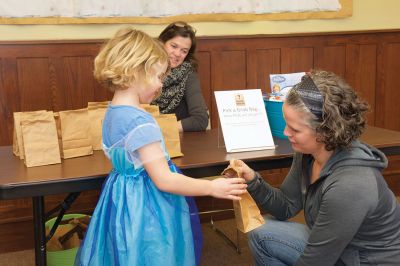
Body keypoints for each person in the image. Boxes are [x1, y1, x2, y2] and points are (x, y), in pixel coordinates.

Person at [75, 27, 247, 266]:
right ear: (135, 71)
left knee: (125, 251)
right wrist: (211, 187)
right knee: (154, 254)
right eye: (157, 77)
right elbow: (164, 179)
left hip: (122, 199)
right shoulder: (140, 121)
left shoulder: (113, 112)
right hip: (148, 206)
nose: (160, 85)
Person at [226, 70, 400, 265]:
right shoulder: (309, 154)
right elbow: (285, 206)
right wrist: (253, 180)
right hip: (341, 251)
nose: (285, 132)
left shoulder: (350, 185)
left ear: (325, 131)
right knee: (261, 232)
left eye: (295, 129)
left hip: (365, 261)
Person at [152, 21, 209, 132]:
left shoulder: (188, 75)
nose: (178, 54)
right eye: (173, 46)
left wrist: (161, 129)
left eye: (184, 51)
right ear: (162, 42)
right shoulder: (145, 71)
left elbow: (200, 119)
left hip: (179, 141)